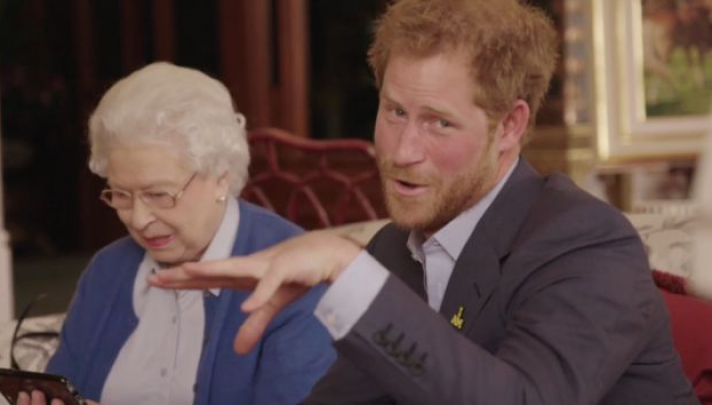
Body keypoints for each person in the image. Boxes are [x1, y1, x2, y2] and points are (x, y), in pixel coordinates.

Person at [150, 1, 700, 404]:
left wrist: (346, 268)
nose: (401, 151)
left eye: (439, 122)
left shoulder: (585, 243)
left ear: (510, 126)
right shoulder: (396, 249)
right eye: (395, 112)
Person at [19, 62, 335, 405]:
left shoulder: (293, 275)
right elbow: (66, 385)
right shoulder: (107, 272)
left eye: (159, 195)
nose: (139, 219)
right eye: (121, 194)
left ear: (221, 177)